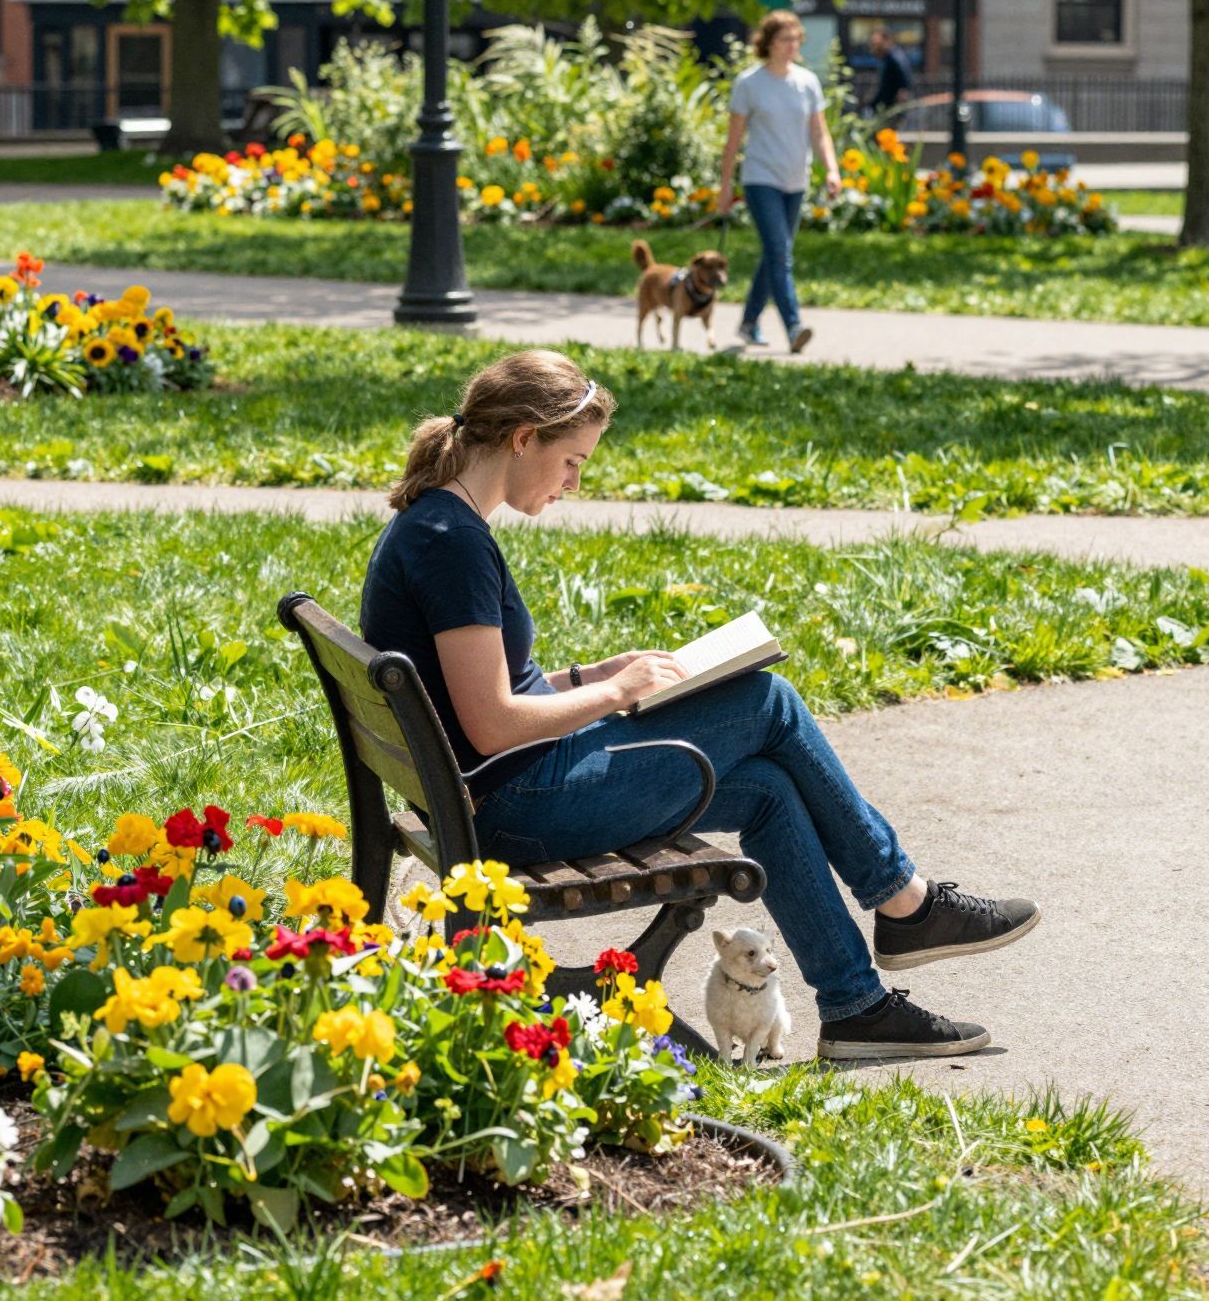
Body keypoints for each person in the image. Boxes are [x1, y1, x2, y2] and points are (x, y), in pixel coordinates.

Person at [359, 350, 1042, 1061]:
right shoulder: (453, 544)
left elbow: (480, 699)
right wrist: (616, 694)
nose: (573, 483)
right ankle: (907, 902)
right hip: (516, 810)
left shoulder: (441, 525)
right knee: (765, 700)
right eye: (572, 461)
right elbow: (491, 722)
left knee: (769, 791)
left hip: (502, 790)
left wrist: (592, 674)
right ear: (524, 437)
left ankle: (856, 1008)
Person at [716, 10, 838, 354]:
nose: (792, 45)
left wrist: (832, 169)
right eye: (785, 39)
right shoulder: (749, 83)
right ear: (767, 43)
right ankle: (793, 325)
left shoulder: (807, 82)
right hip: (760, 179)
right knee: (780, 254)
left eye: (796, 38)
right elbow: (733, 140)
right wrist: (725, 187)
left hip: (795, 180)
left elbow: (820, 131)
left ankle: (749, 321)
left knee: (775, 254)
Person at [868, 27, 915, 119]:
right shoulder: (886, 59)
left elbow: (905, 84)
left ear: (886, 41)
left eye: (877, 44)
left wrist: (900, 103)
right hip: (883, 106)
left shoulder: (895, 58)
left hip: (891, 109)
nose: (874, 47)